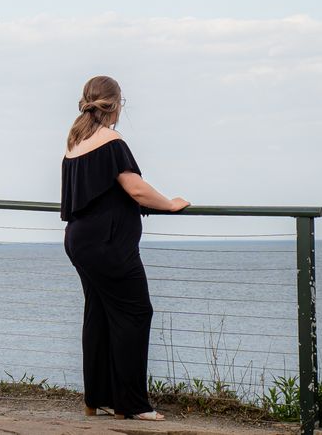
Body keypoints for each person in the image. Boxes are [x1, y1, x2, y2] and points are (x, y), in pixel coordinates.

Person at [61, 76, 189, 421]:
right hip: (108, 247)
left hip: (81, 242)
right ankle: (132, 404)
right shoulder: (112, 142)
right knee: (135, 313)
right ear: (115, 104)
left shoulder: (75, 142)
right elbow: (135, 189)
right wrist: (170, 204)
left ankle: (97, 398)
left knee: (99, 314)